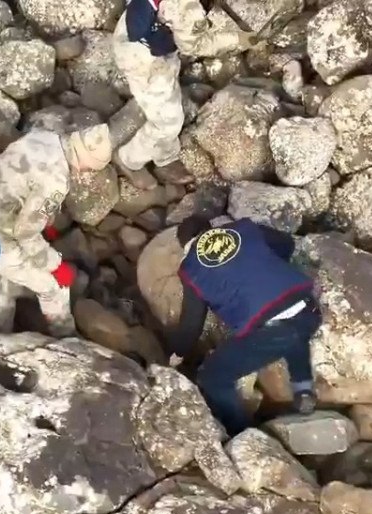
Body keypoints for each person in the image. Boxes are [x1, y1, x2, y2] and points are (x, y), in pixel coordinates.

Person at [166, 215, 322, 435]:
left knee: (213, 377)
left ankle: (243, 434)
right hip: (308, 308)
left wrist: (177, 353)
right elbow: (287, 243)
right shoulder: (243, 229)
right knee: (295, 331)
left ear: (186, 245)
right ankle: (303, 390)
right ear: (211, 227)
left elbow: (192, 323)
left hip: (271, 329)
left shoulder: (191, 268)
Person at [0, 124, 112, 336]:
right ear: (86, 161)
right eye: (90, 169)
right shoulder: (56, 180)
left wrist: (46, 221)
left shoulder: (45, 137)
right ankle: (65, 337)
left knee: (0, 283)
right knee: (54, 287)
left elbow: (27, 184)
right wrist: (55, 265)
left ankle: (0, 333)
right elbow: (26, 233)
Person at [113, 0, 259, 190]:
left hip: (138, 31)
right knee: (167, 123)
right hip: (142, 57)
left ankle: (164, 157)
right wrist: (238, 40)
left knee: (170, 98)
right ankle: (129, 159)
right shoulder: (186, 6)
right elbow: (194, 45)